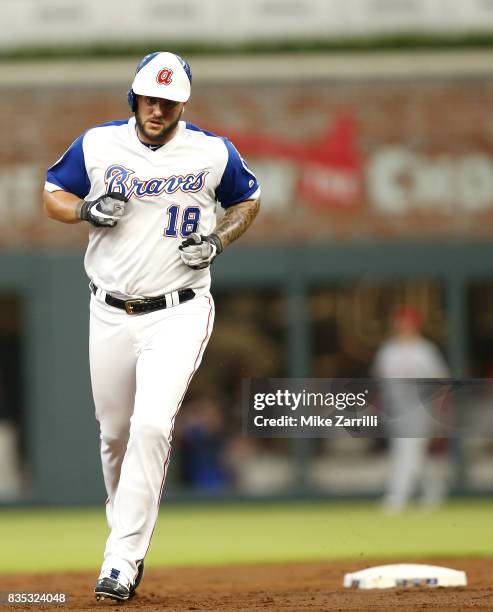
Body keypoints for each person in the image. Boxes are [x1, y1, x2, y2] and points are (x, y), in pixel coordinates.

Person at [42, 51, 260, 601]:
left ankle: (122, 559)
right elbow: (52, 194)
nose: (157, 108)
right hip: (109, 309)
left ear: (183, 103)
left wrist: (218, 240)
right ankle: (124, 538)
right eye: (149, 97)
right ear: (133, 95)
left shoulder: (211, 150)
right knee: (114, 436)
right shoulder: (99, 143)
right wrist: (86, 211)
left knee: (152, 427)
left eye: (168, 100)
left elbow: (248, 199)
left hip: (180, 309)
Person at [372, 305, 450, 514]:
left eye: (408, 324)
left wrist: (439, 414)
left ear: (416, 326)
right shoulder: (387, 351)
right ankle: (434, 491)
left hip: (420, 409)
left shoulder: (425, 351)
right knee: (414, 453)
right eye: (401, 324)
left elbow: (441, 383)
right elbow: (380, 383)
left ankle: (396, 497)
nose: (404, 328)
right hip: (396, 410)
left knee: (407, 451)